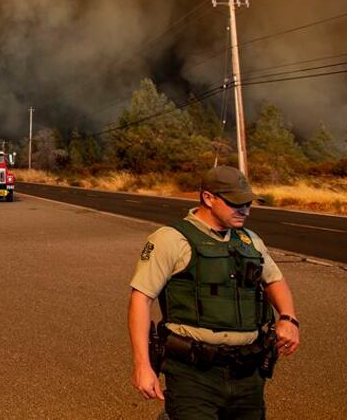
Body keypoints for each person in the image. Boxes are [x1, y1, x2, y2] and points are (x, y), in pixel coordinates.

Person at [127, 165, 301, 419]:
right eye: (235, 203)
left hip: (247, 373)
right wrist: (142, 365)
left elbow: (275, 280)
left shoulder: (250, 241)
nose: (245, 210)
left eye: (248, 204)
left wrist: (288, 318)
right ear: (208, 198)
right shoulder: (171, 240)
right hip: (193, 373)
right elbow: (140, 300)